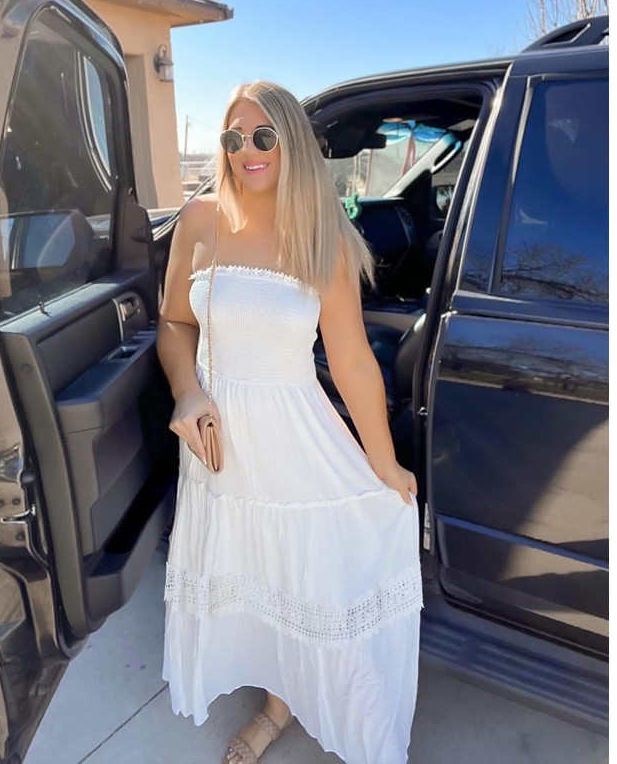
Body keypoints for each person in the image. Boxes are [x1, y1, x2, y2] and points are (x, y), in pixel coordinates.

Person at [157, 81, 423, 764]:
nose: (247, 149)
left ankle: (280, 709)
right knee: (245, 569)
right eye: (233, 137)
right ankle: (271, 695)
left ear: (292, 143)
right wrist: (187, 393)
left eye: (263, 136)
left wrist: (383, 461)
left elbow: (353, 360)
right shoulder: (198, 221)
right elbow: (174, 323)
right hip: (216, 445)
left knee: (297, 579)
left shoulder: (321, 236)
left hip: (291, 439)